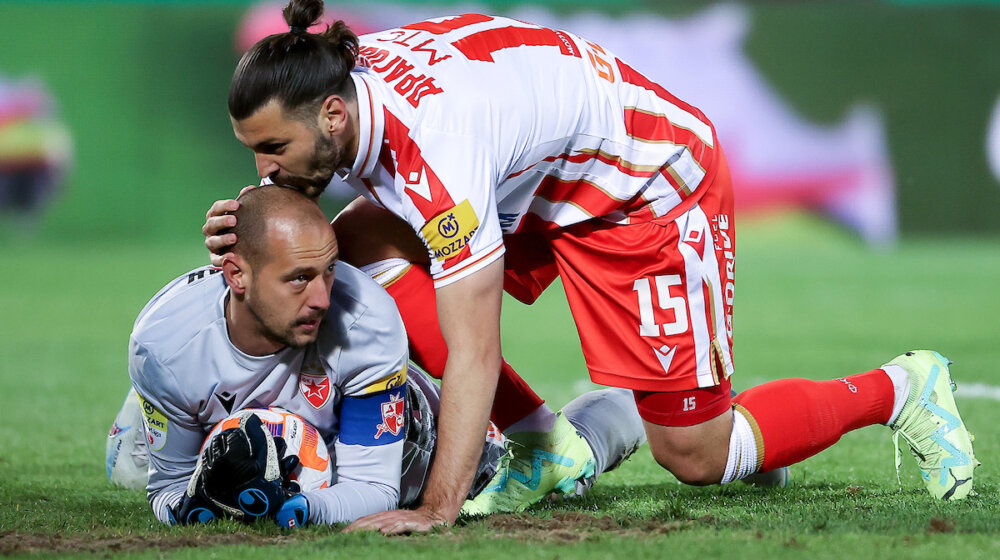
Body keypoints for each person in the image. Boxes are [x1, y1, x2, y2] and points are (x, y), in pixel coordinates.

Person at [206, 1, 978, 533]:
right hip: (546, 178)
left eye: (272, 149)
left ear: (333, 115)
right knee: (343, 259)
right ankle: (546, 446)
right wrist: (253, 224)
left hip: (645, 188)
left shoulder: (436, 156)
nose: (265, 167)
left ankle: (903, 387)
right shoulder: (341, 72)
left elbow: (473, 347)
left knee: (696, 454)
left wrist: (438, 506)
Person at [123, 185, 646, 527]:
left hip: (410, 439)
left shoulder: (363, 319)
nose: (324, 297)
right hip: (236, 411)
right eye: (300, 279)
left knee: (555, 467)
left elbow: (374, 487)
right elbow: (168, 491)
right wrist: (191, 506)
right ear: (236, 275)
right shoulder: (164, 346)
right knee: (128, 458)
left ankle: (628, 411)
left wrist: (298, 510)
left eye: (329, 270)